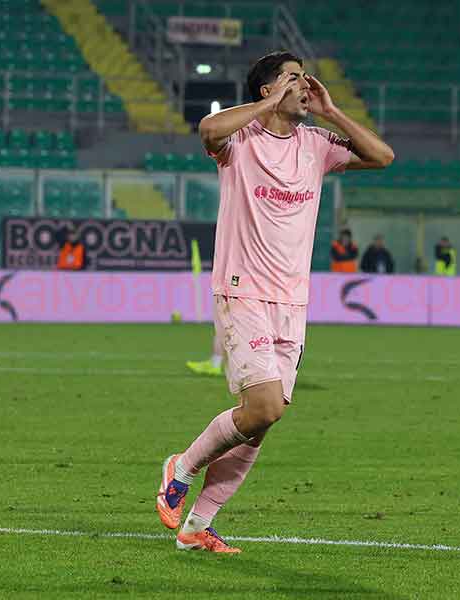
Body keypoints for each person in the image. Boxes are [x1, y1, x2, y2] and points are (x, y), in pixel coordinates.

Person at [155, 50, 394, 553]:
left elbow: (382, 156)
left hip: (293, 301)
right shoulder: (240, 140)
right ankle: (182, 466)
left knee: (261, 421)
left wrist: (332, 112)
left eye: (306, 79)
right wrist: (267, 107)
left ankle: (198, 525)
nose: (304, 85)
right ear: (267, 90)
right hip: (243, 289)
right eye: (292, 79)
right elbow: (208, 130)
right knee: (263, 407)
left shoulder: (316, 145)